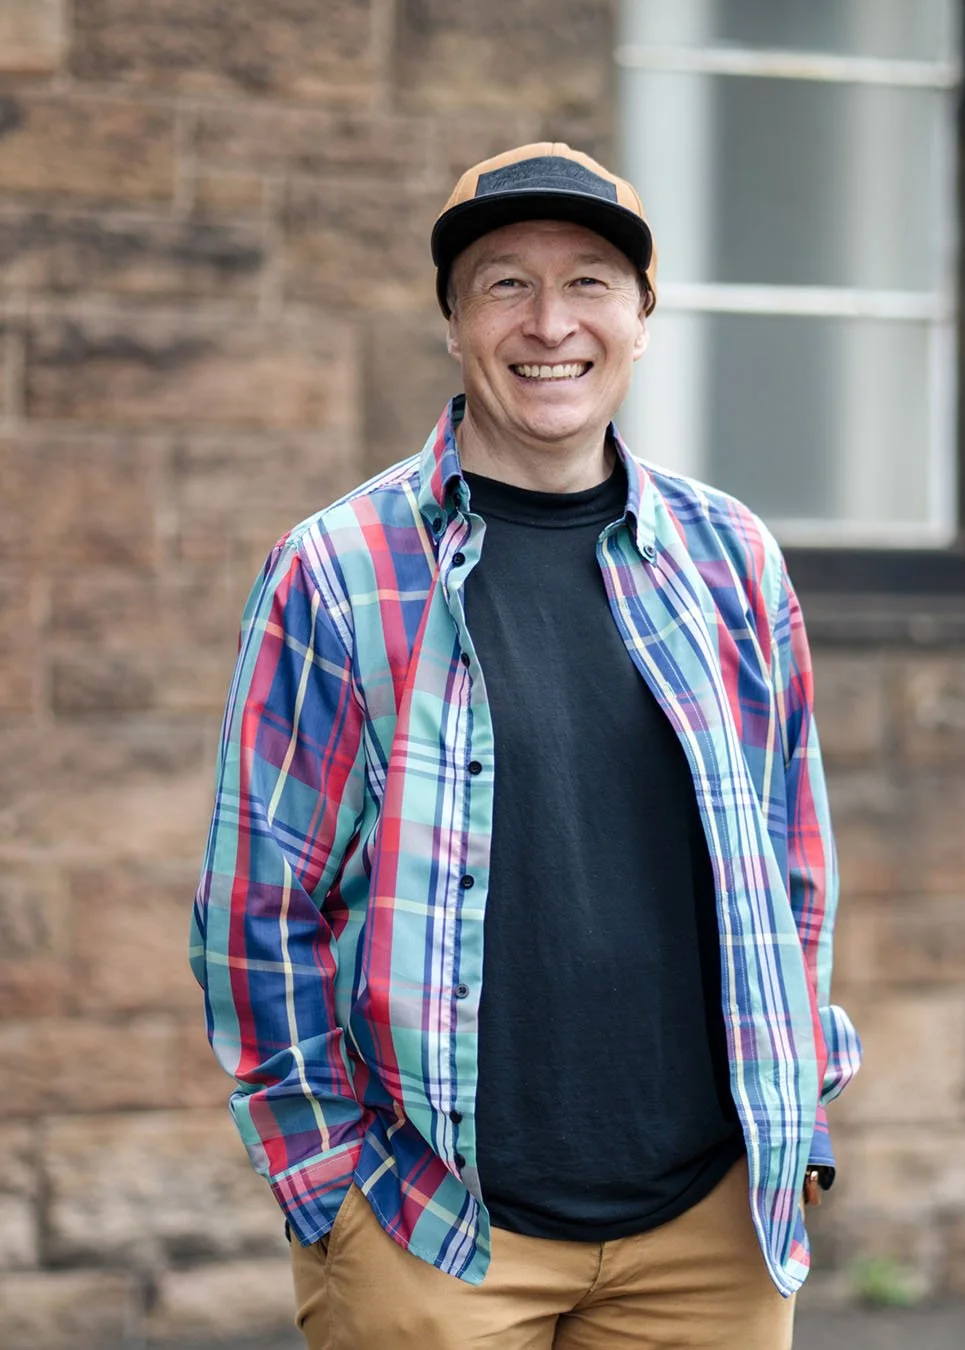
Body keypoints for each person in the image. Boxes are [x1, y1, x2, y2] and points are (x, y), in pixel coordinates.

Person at [190, 142, 861, 1350]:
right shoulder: (338, 573)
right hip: (433, 1231)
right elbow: (257, 904)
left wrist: (797, 1121)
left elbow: (791, 867)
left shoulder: (733, 561)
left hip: (709, 1234)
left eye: (592, 282)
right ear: (453, 321)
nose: (551, 323)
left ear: (644, 319)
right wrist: (326, 1184)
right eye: (505, 283)